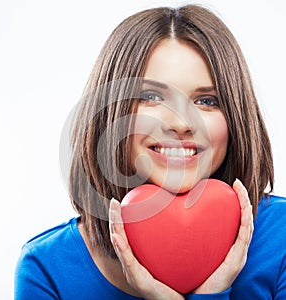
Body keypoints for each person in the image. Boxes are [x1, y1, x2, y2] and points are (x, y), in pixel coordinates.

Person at [15, 4, 286, 299]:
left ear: (236, 115)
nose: (182, 123)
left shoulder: (281, 238)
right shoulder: (47, 268)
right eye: (151, 97)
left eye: (207, 101)